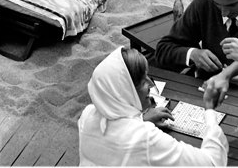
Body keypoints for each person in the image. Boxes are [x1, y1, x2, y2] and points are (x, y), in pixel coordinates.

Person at [78, 47, 228, 166]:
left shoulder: (87, 115)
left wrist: (141, 119)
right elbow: (212, 163)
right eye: (143, 81)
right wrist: (210, 110)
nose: (151, 84)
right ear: (126, 90)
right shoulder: (145, 138)